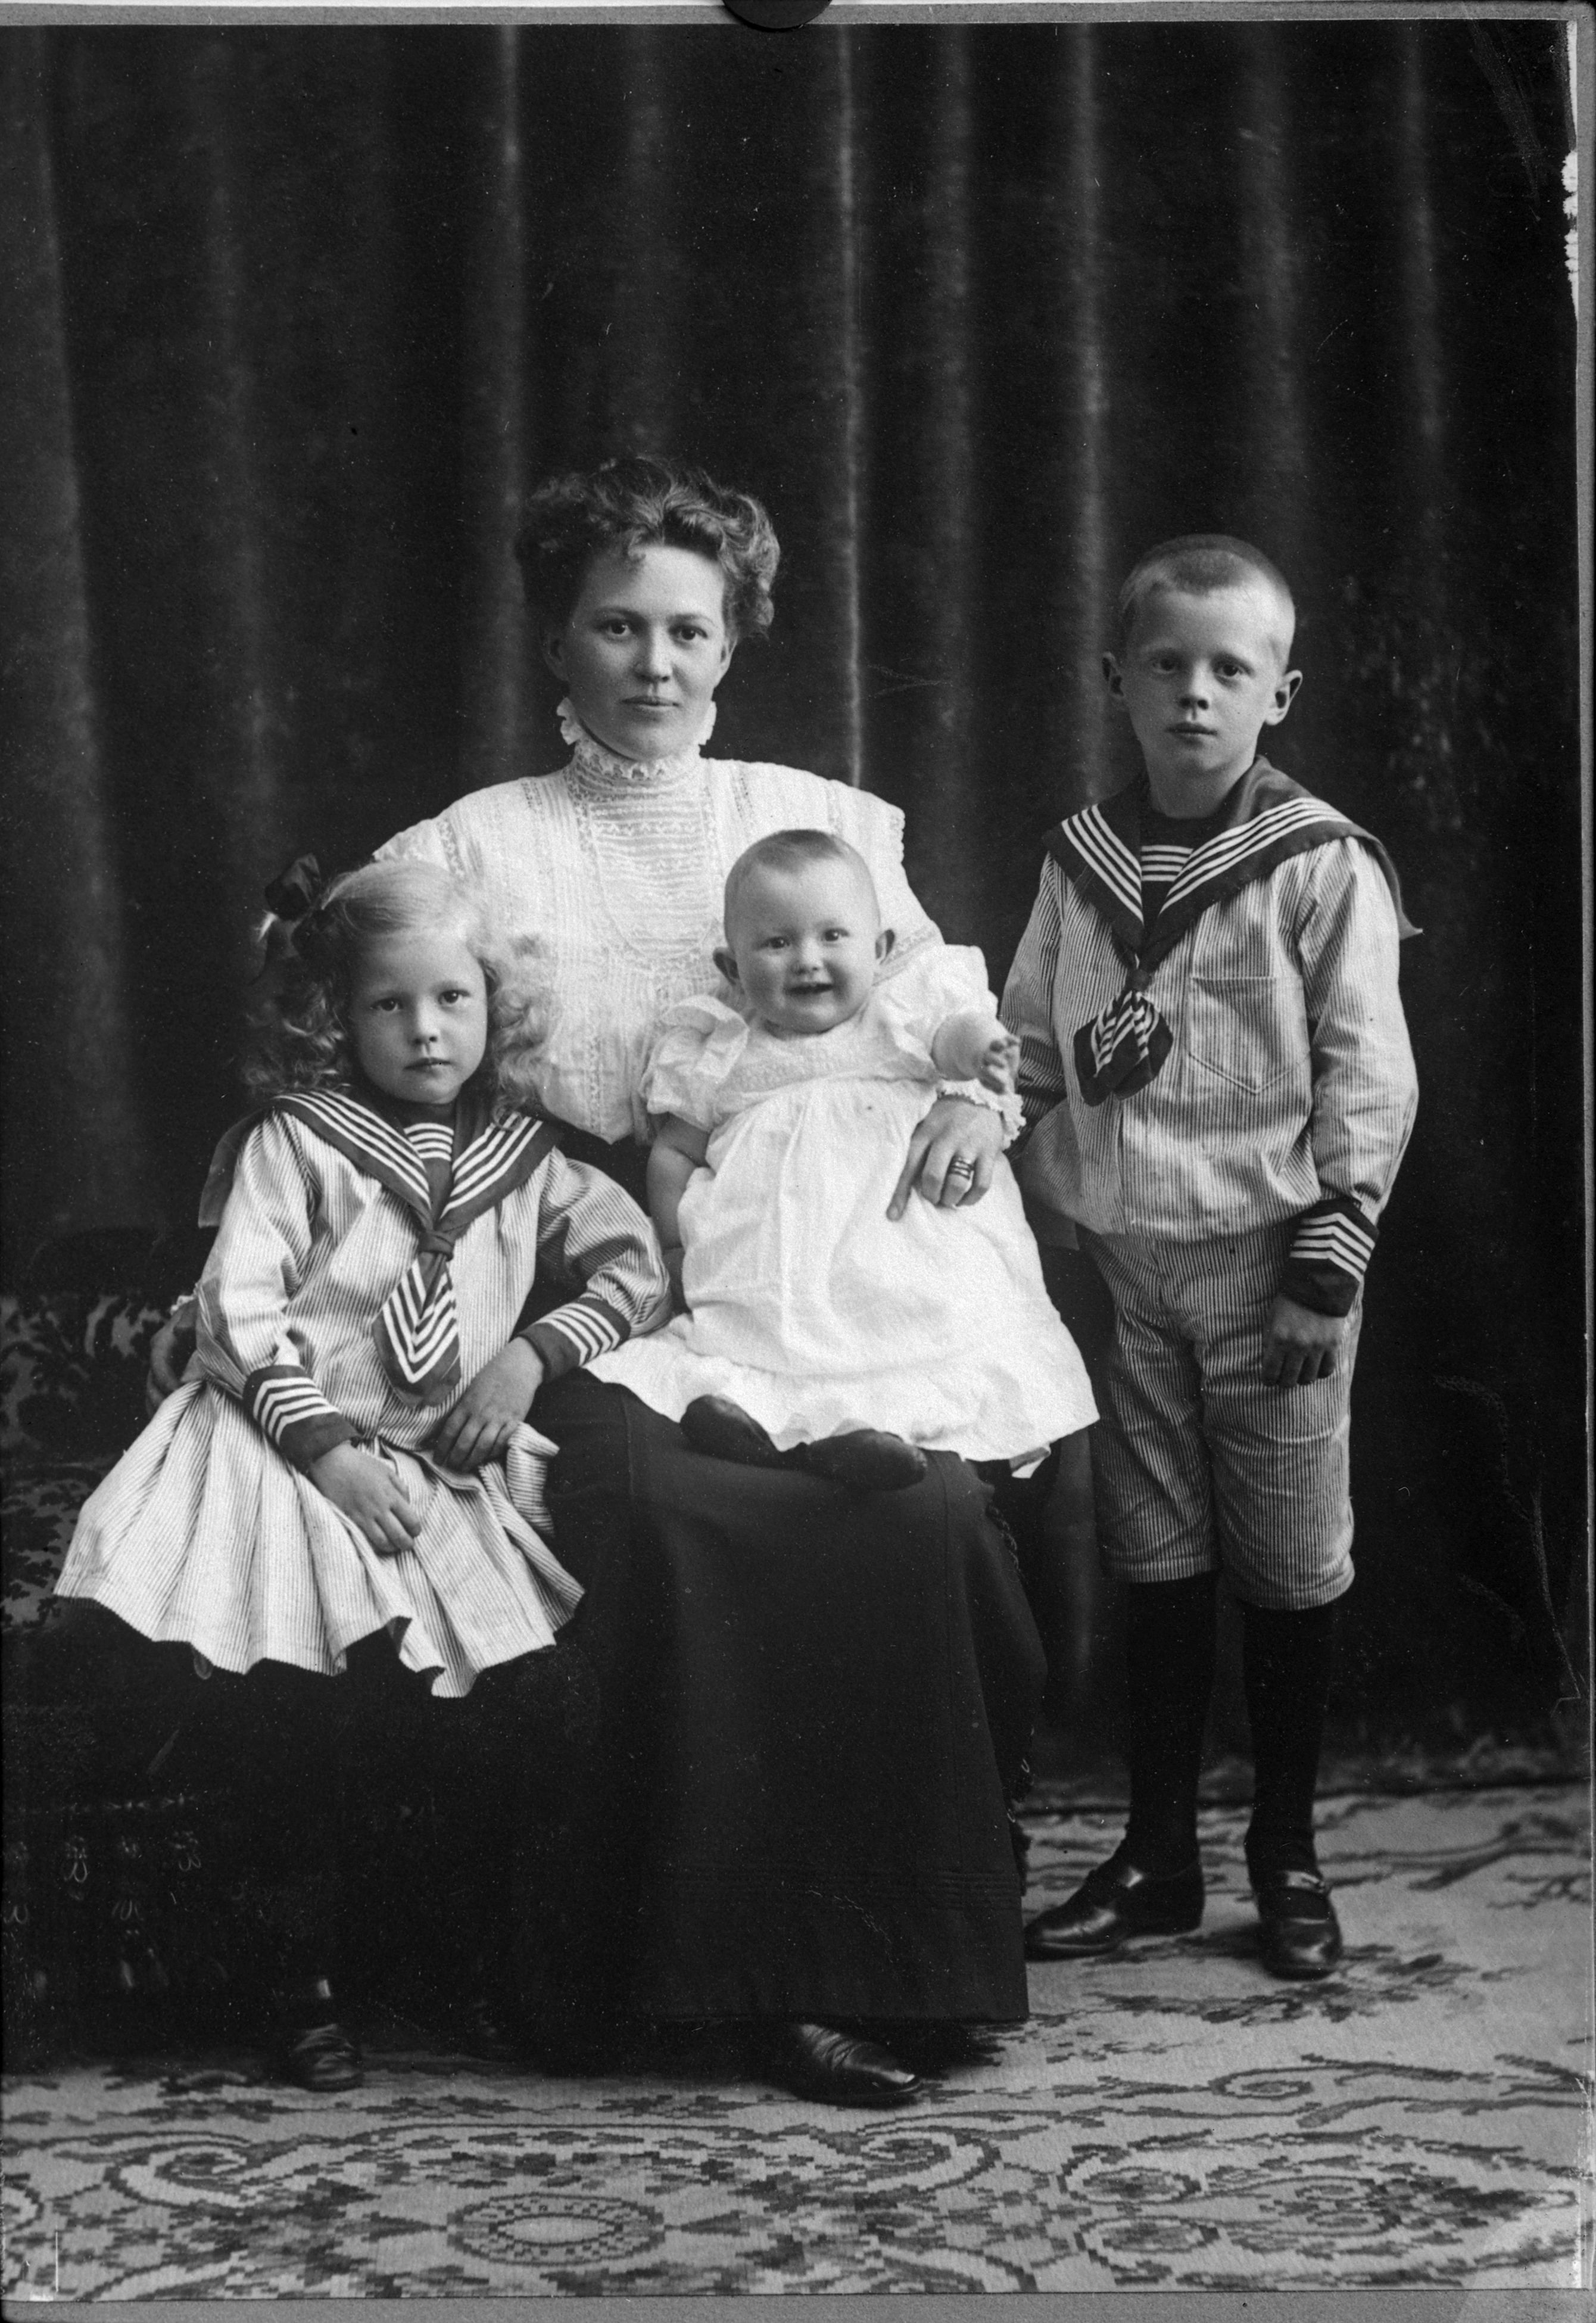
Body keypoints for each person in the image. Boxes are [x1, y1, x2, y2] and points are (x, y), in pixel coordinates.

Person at [141, 457, 1048, 2106]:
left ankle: (899, 1967)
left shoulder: (826, 823)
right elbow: (345, 1061)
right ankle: (731, 1984)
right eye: (615, 624)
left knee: (914, 1506)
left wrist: (985, 1108)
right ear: (555, 639)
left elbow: (949, 1032)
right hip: (568, 1295)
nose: (653, 662)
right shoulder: (471, 845)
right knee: (672, 1507)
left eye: (687, 629)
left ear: (733, 641)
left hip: (818, 1295)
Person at [61, 857, 670, 2085]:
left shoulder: (523, 1158)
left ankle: (463, 1968)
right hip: (286, 1451)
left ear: (495, 1007)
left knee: (520, 1705)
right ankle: (296, 1983)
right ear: (335, 1017)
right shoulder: (295, 1145)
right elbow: (236, 1314)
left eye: (453, 999)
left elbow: (636, 1270)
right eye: (390, 1004)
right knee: (297, 1698)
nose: (426, 1029)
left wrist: (527, 1359)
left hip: (429, 1460)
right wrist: (327, 1453)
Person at [1003, 535, 1418, 1982]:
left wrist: (1325, 1265)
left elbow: (1367, 1072)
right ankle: (1156, 1856)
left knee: (1287, 1565)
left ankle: (1283, 1854)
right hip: (1121, 1276)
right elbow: (1028, 1046)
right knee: (1155, 1556)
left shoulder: (1314, 863)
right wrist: (985, 1135)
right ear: (1112, 679)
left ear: (1276, 694)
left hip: (1269, 1273)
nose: (1193, 692)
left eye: (1228, 669)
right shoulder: (1078, 862)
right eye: (1165, 664)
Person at [587, 827, 1097, 1507]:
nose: (808, 961)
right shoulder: (722, 1053)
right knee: (755, 1347)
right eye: (776, 943)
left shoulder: (896, 1013)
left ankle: (866, 1441)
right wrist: (676, 1248)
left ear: (879, 951)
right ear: (732, 969)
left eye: (833, 936)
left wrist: (981, 1050)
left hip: (898, 1256)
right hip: (773, 1268)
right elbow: (676, 1150)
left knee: (921, 1329)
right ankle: (769, 1433)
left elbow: (951, 1033)